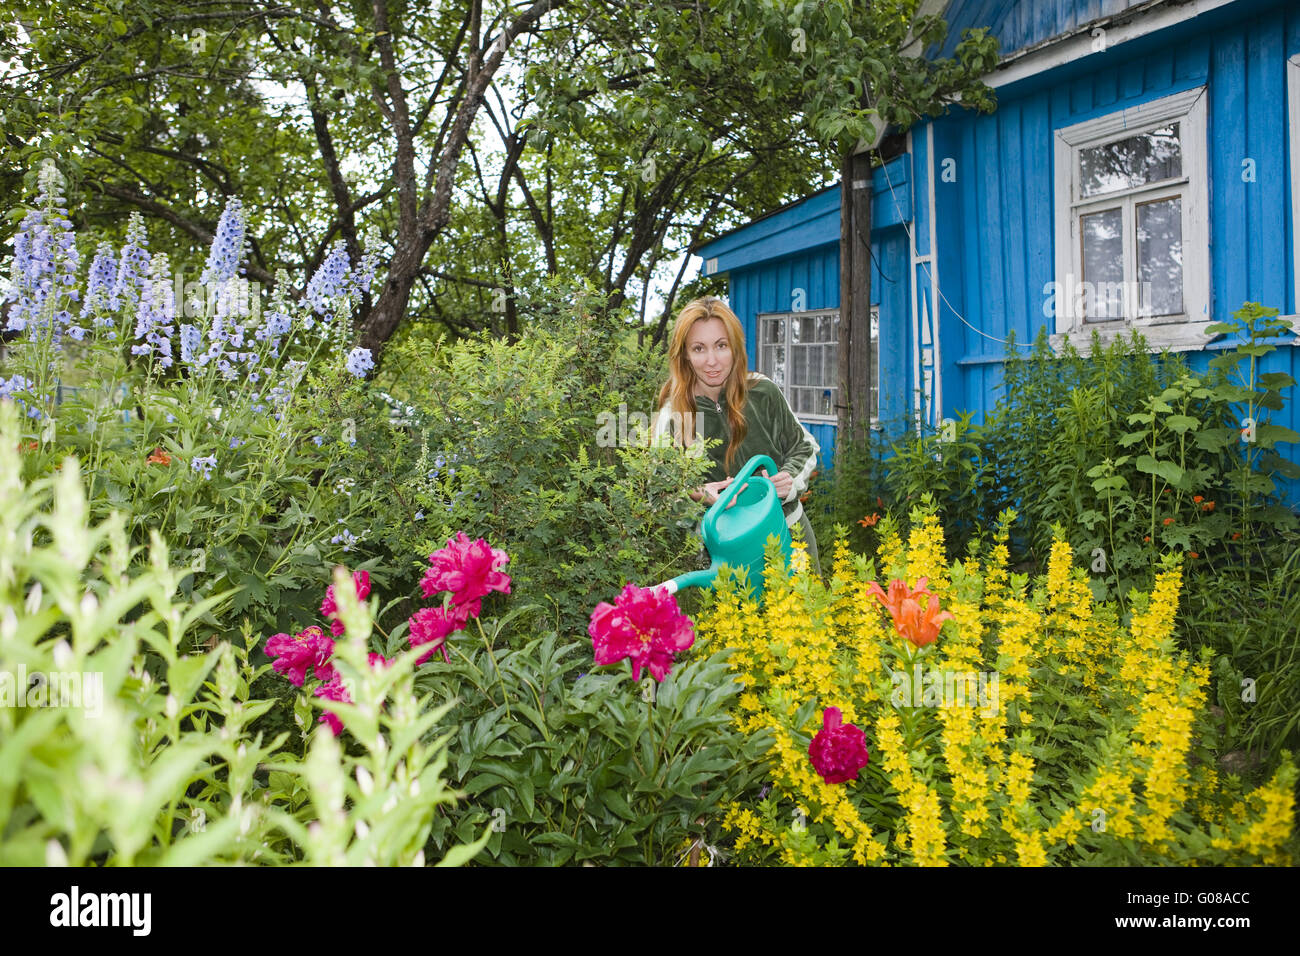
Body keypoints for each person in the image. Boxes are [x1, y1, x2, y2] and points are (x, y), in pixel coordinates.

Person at [652, 295, 821, 570]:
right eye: (698, 348)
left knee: (808, 610)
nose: (712, 361)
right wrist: (696, 493)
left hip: (789, 532)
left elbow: (804, 446)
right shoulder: (674, 413)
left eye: (721, 346)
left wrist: (787, 480)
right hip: (726, 551)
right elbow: (656, 493)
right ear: (684, 354)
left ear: (735, 347)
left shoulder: (763, 391)